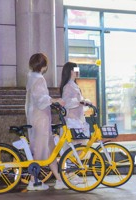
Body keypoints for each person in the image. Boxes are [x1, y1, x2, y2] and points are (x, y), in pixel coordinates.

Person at [25, 53, 66, 191]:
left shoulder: (31, 77)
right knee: (41, 149)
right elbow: (41, 99)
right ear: (44, 65)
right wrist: (55, 100)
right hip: (40, 118)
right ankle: (32, 181)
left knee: (50, 150)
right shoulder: (39, 78)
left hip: (39, 117)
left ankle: (59, 179)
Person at [59, 62, 90, 183]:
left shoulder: (73, 85)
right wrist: (80, 102)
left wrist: (83, 102)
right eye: (76, 68)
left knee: (75, 149)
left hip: (76, 120)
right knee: (73, 149)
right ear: (71, 71)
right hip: (72, 122)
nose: (78, 71)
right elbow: (66, 103)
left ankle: (71, 174)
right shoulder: (68, 86)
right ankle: (71, 175)